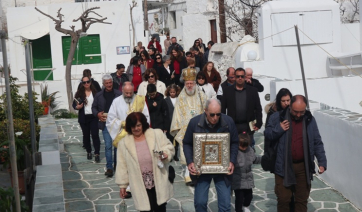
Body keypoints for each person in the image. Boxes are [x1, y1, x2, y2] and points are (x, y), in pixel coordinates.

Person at [265, 95, 327, 212]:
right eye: (295, 112)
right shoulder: (277, 117)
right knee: (284, 199)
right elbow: (268, 134)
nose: (298, 115)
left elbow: (317, 142)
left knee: (301, 200)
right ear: (290, 107)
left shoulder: (309, 119)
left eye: (301, 112)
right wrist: (279, 128)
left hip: (303, 167)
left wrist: (322, 162)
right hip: (283, 165)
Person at [183, 98, 239, 212]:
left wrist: (232, 161)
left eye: (218, 114)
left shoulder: (228, 122)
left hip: (223, 169)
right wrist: (190, 161)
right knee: (200, 203)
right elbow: (187, 143)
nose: (215, 118)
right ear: (205, 111)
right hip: (201, 170)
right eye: (212, 114)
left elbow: (234, 142)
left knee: (225, 205)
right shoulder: (195, 123)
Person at [115, 112, 174, 212]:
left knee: (160, 208)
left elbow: (169, 147)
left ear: (143, 124)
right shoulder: (123, 144)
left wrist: (166, 154)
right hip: (139, 183)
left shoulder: (156, 134)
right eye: (133, 126)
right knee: (145, 210)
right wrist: (122, 185)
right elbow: (122, 166)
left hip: (158, 180)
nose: (136, 129)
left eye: (138, 125)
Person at [106, 82, 150, 198]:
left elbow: (146, 117)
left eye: (131, 92)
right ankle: (127, 186)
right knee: (126, 162)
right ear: (122, 91)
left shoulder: (140, 100)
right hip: (124, 135)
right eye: (126, 93)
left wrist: (140, 126)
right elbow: (110, 119)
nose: (129, 95)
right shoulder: (116, 102)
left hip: (138, 135)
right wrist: (123, 123)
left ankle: (138, 184)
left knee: (138, 161)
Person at [170, 68, 207, 184]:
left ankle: (199, 171)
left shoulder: (201, 95)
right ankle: (188, 173)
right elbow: (177, 113)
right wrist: (178, 128)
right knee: (187, 152)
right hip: (185, 129)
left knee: (199, 151)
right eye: (187, 83)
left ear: (195, 84)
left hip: (199, 128)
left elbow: (206, 109)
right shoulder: (181, 97)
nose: (190, 85)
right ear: (185, 84)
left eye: (191, 83)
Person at [221, 67, 262, 147]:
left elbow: (258, 108)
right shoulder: (227, 91)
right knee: (233, 149)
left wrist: (259, 123)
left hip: (248, 126)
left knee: (249, 150)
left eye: (242, 76)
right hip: (233, 125)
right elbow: (223, 109)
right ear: (235, 77)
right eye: (238, 76)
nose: (240, 78)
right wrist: (223, 124)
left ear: (245, 77)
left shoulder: (253, 91)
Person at [92, 74, 122, 177]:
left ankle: (118, 166)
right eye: (107, 83)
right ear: (103, 84)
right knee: (108, 146)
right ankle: (109, 167)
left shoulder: (119, 94)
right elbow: (94, 108)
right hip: (105, 124)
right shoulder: (98, 95)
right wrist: (98, 114)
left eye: (110, 82)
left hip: (117, 124)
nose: (109, 85)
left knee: (117, 146)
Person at [73, 76, 101, 162]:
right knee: (86, 136)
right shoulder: (79, 93)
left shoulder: (95, 93)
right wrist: (77, 107)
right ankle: (89, 151)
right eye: (84, 82)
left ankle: (97, 153)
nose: (86, 84)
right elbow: (74, 104)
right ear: (82, 83)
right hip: (84, 117)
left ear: (90, 82)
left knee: (95, 135)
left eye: (88, 82)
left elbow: (99, 103)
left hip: (93, 117)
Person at [232, 132, 261, 212]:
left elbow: (255, 159)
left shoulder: (250, 150)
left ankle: (246, 206)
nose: (244, 148)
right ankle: (238, 210)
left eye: (245, 146)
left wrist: (263, 159)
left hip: (248, 179)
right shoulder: (235, 152)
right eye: (241, 146)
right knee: (239, 198)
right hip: (238, 180)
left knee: (249, 196)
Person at [164, 84, 181, 161]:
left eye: (174, 92)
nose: (172, 93)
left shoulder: (179, 99)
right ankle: (170, 154)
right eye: (171, 92)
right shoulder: (166, 100)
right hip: (169, 123)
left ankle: (175, 155)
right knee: (169, 140)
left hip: (177, 123)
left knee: (176, 140)